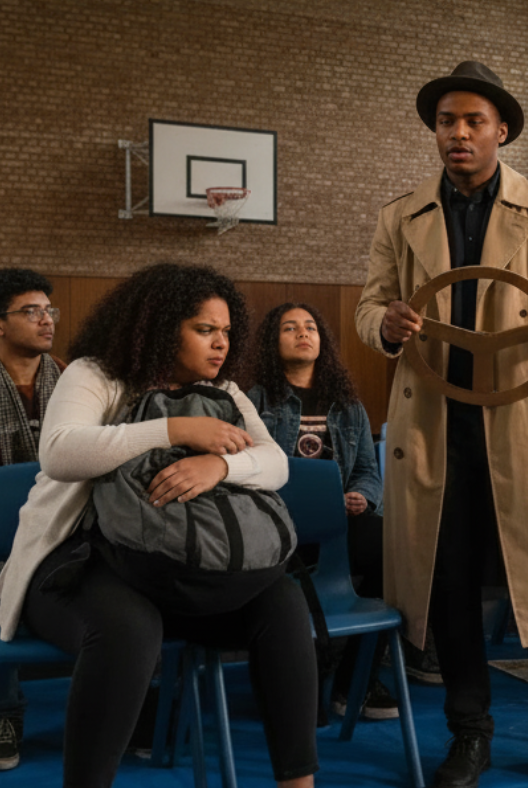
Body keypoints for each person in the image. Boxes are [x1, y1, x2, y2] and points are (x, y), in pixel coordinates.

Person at [355, 61, 528, 788]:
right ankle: (469, 735)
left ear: (501, 130)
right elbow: (370, 307)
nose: (457, 134)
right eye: (445, 122)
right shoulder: (399, 216)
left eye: (472, 122)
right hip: (435, 422)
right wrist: (389, 325)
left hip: (522, 418)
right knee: (451, 582)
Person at [0, 263, 318, 788]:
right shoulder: (96, 373)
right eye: (204, 330)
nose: (220, 345)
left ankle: (298, 783)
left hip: (167, 569)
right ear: (160, 324)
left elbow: (276, 463)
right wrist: (173, 428)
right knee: (128, 628)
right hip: (74, 563)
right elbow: (59, 454)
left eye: (226, 333)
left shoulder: (226, 391)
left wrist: (219, 465)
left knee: (281, 602)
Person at [247, 302, 397, 720]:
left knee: (395, 549)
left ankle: (356, 682)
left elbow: (368, 470)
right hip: (275, 532)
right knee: (300, 713)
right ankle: (294, 673)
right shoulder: (253, 400)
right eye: (289, 328)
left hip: (336, 529)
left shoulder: (346, 403)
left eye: (310, 326)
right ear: (271, 343)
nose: (302, 333)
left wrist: (362, 497)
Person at [0, 267, 66, 770]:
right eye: (31, 311)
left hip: (57, 525)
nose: (46, 320)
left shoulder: (66, 379)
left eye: (49, 311)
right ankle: (5, 715)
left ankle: (139, 708)